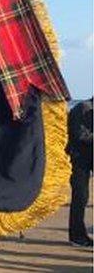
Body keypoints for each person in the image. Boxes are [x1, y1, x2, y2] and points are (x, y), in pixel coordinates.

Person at [67, 98, 93, 247]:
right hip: (79, 159)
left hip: (89, 156)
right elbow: (80, 135)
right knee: (80, 197)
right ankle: (77, 236)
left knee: (81, 197)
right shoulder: (82, 108)